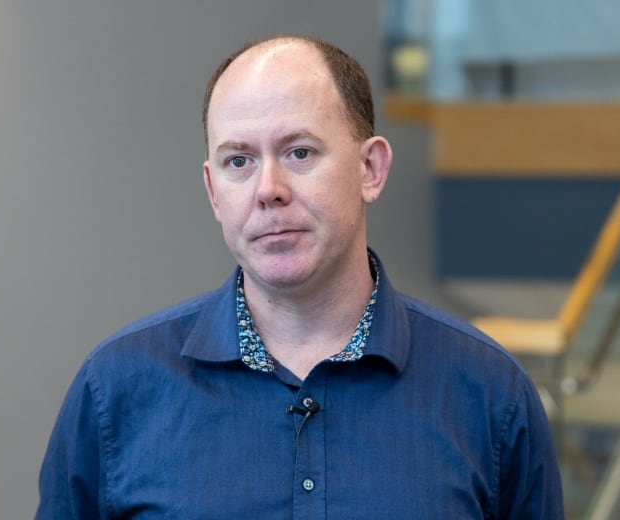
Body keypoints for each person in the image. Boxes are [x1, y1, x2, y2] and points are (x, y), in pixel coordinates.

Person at [36, 35, 564, 519]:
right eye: (238, 160)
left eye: (299, 152)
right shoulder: (112, 391)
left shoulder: (491, 396)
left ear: (371, 169)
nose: (268, 188)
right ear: (213, 192)